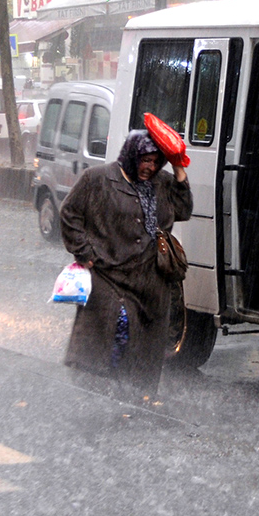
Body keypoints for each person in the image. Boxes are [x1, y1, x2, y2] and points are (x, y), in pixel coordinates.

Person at [59, 128, 192, 398]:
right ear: (132, 155)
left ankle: (133, 395)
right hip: (109, 274)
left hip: (150, 280)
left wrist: (178, 167)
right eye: (145, 160)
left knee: (144, 344)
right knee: (116, 329)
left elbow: (184, 210)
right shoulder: (97, 179)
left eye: (156, 162)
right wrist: (85, 253)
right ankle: (101, 388)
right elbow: (70, 213)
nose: (150, 167)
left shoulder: (163, 183)